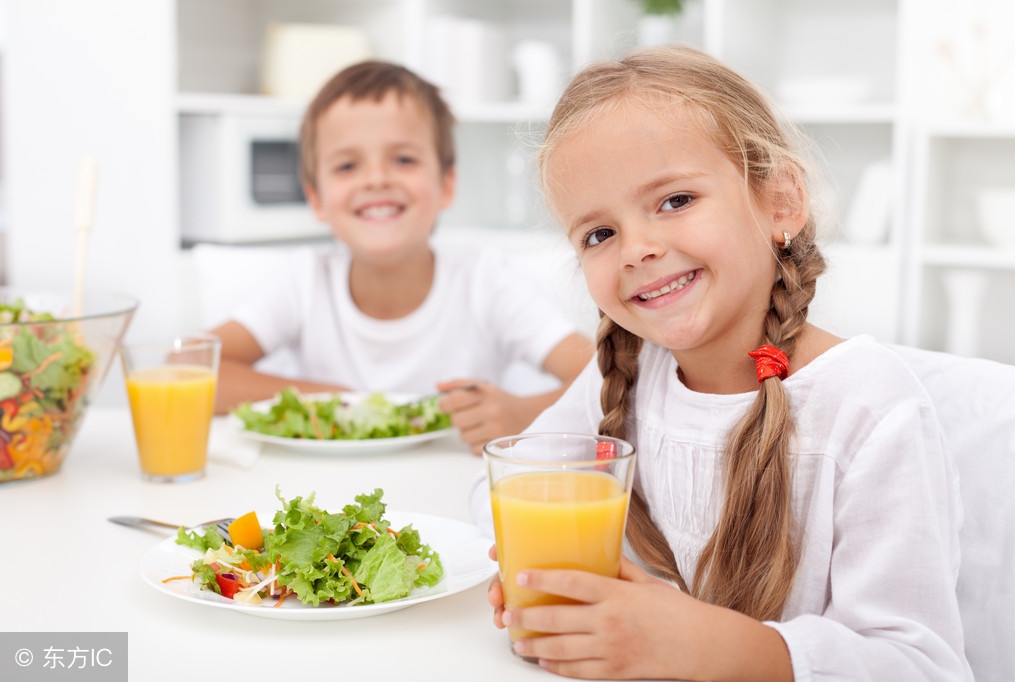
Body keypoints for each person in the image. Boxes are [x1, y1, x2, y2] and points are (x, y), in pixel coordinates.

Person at [469, 45, 973, 681]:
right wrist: (535, 570)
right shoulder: (625, 372)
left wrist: (692, 642)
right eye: (599, 234)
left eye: (675, 200)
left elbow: (919, 666)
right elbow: (509, 489)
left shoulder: (868, 407)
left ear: (780, 202)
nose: (638, 250)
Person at [210, 61, 594, 454]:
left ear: (446, 184)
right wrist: (332, 399)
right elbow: (193, 369)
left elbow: (605, 378)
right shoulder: (306, 280)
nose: (376, 179)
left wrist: (524, 414)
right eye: (347, 165)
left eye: (404, 160)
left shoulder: (486, 281)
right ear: (316, 198)